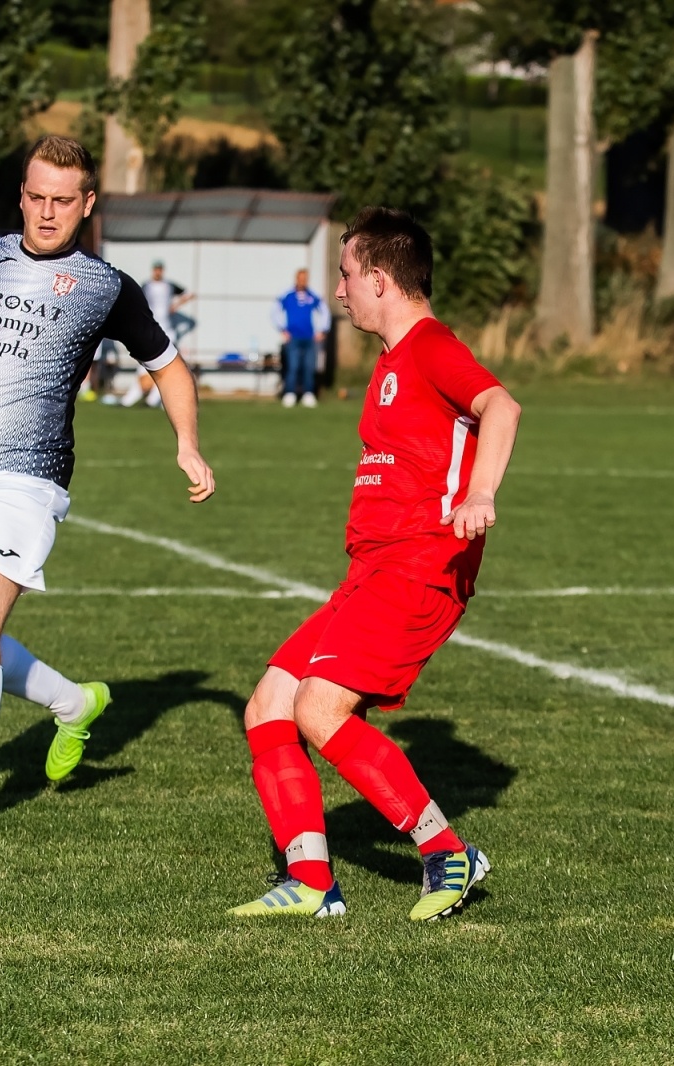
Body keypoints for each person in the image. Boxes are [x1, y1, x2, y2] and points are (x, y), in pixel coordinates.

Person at [0, 135, 216, 843]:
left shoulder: (105, 287)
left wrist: (186, 442)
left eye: (65, 200)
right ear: (22, 196)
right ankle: (74, 703)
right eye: (38, 197)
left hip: (26, 480)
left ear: (86, 204)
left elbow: (170, 368)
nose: (49, 211)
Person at [228, 207, 520, 922]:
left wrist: (480, 492)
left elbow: (501, 406)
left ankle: (447, 853)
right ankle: (311, 883)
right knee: (268, 705)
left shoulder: (429, 346)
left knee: (320, 709)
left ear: (381, 279)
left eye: (348, 274)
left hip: (419, 567)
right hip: (372, 571)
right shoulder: (393, 362)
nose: (339, 290)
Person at [120, 261, 194, 408]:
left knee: (163, 367)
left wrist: (175, 306)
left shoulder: (169, 286)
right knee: (146, 366)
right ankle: (136, 400)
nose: (158, 272)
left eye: (160, 270)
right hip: (151, 329)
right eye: (156, 269)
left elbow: (188, 294)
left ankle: (148, 400)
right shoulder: (146, 285)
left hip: (167, 332)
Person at [272, 268, 331, 407]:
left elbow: (324, 312)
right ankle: (290, 393)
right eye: (300, 278)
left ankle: (308, 393)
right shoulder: (287, 295)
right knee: (293, 366)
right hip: (293, 338)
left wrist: (322, 330)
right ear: (296, 279)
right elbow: (274, 312)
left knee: (309, 366)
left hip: (309, 338)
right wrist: (283, 329)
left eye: (305, 278)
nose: (302, 281)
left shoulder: (312, 295)